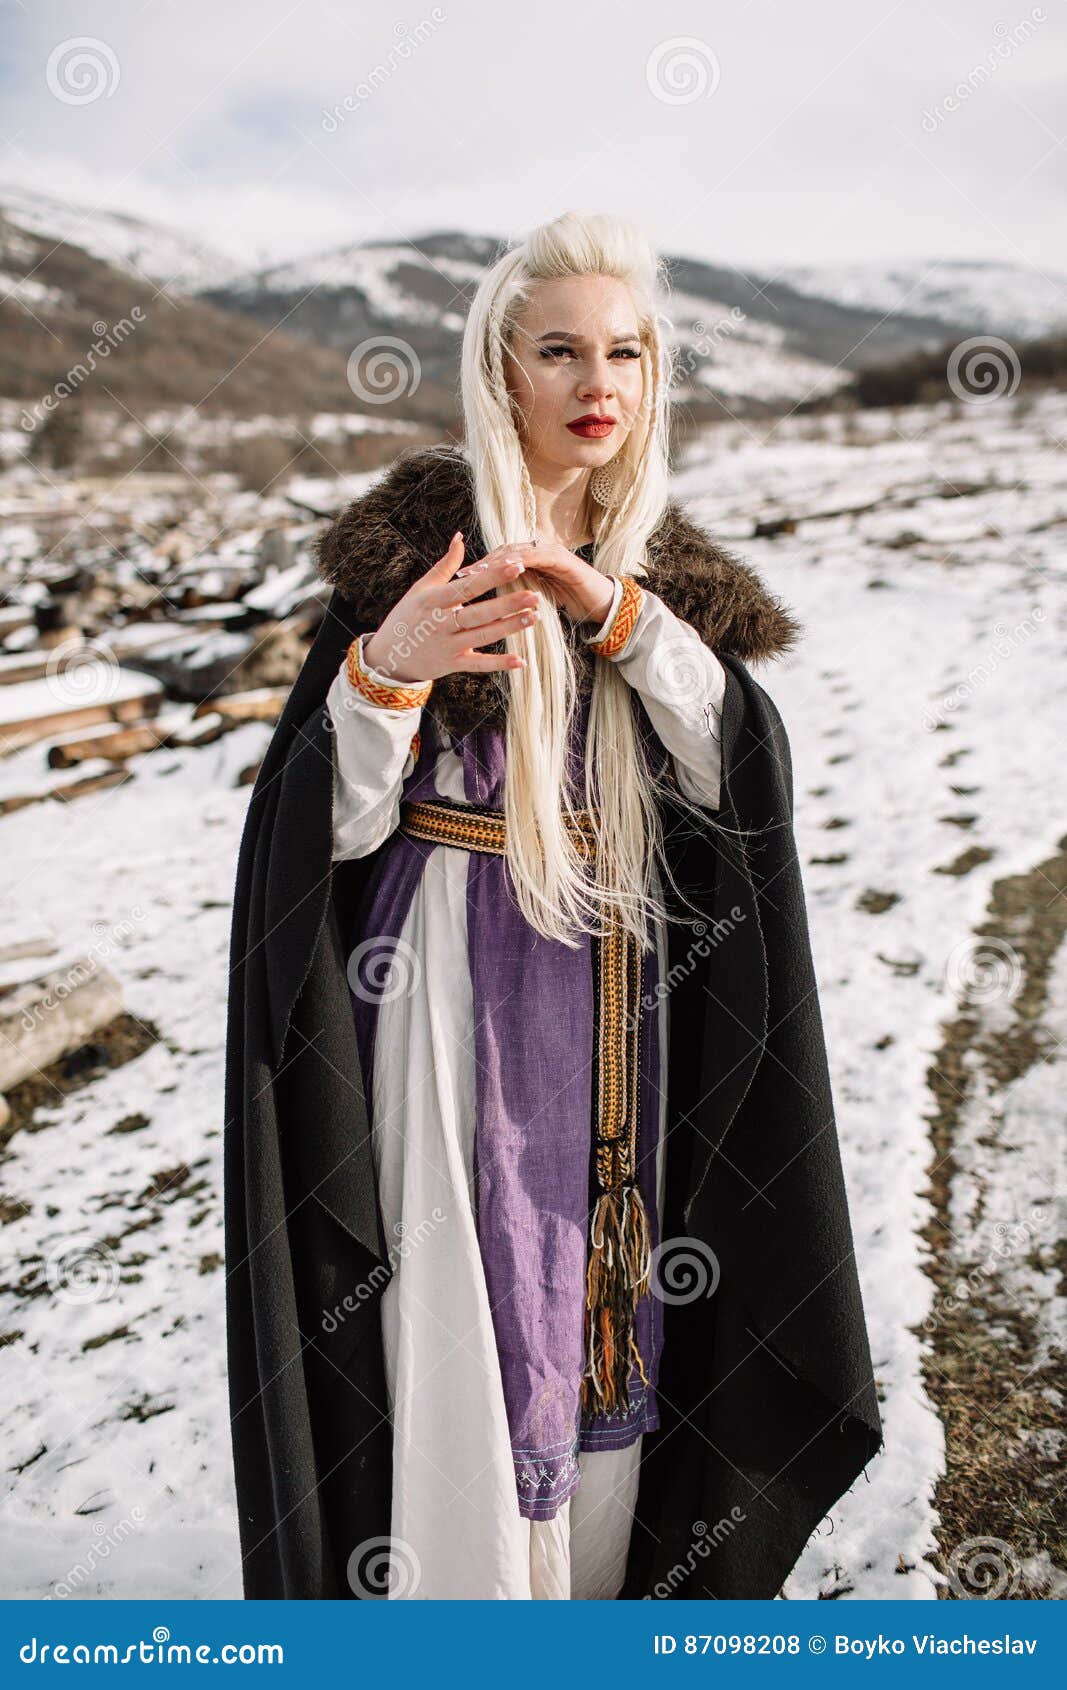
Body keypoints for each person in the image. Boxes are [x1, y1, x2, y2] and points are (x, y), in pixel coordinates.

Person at [223, 211, 883, 1602]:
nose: (599, 379)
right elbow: (320, 835)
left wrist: (630, 623)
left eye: (627, 351)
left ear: (653, 377)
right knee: (455, 1327)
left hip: (624, 1013)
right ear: (502, 367)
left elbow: (734, 785)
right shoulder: (415, 559)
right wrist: (389, 673)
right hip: (441, 1004)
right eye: (562, 349)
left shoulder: (670, 577)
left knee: (619, 1317)